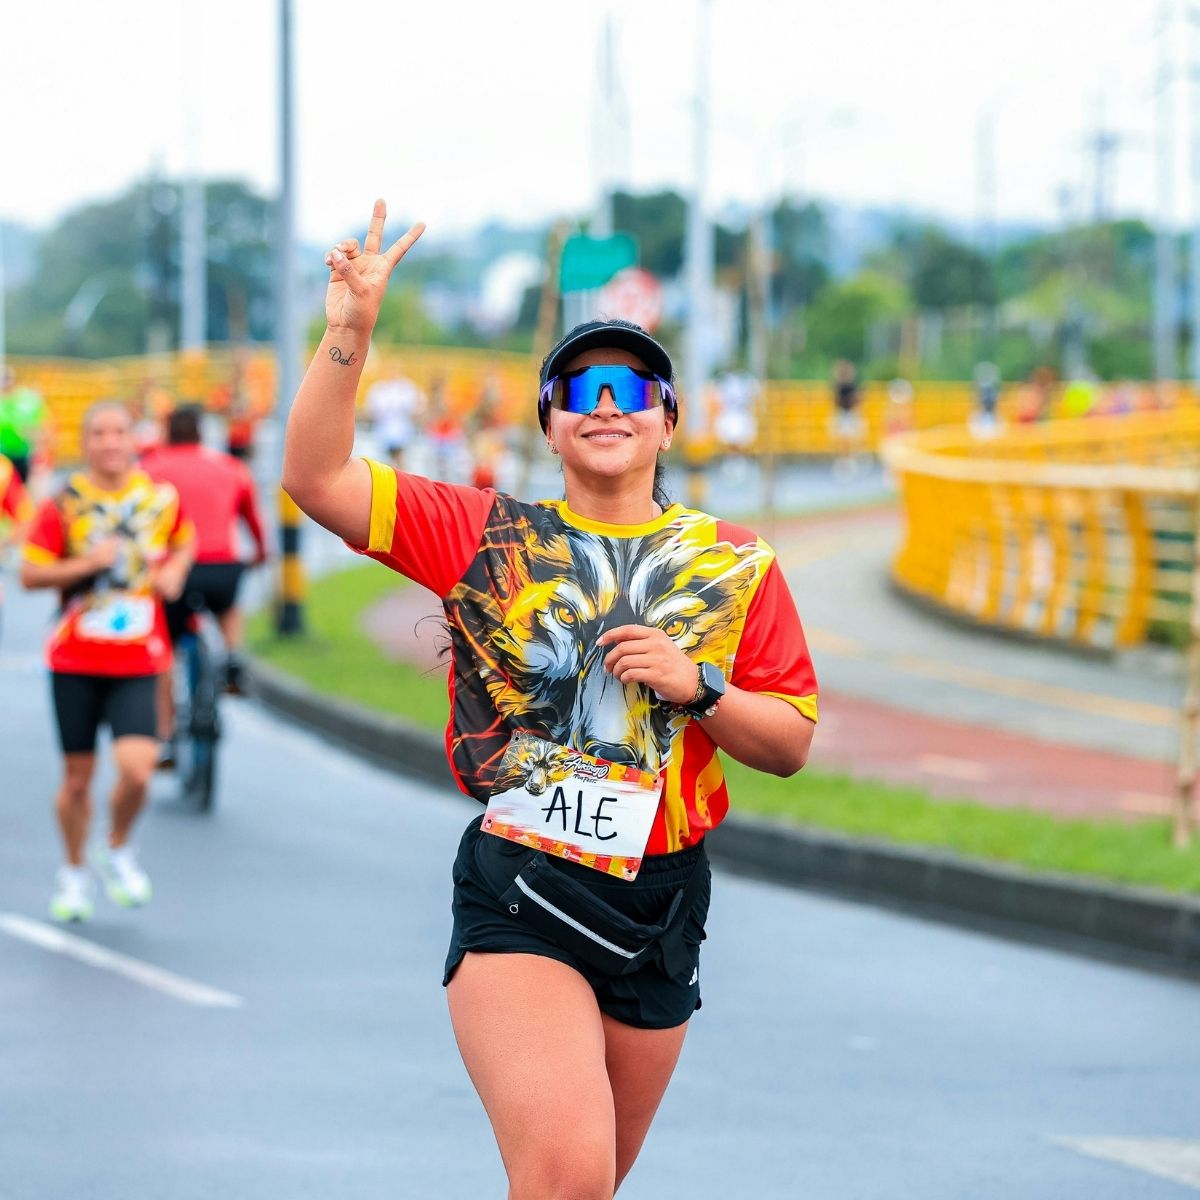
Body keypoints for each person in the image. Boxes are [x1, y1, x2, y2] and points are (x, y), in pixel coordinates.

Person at [281, 201, 818, 1198]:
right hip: (524, 886)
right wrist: (349, 330)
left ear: (666, 417)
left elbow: (787, 741)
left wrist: (699, 686)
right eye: (579, 388)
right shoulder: (482, 532)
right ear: (551, 421)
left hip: (662, 902)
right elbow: (315, 477)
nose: (605, 405)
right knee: (568, 1176)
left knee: (589, 1185)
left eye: (631, 388)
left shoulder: (736, 566)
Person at [21, 400, 193, 922]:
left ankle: (114, 845)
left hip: (139, 656)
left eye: (119, 431)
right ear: (86, 441)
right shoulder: (65, 503)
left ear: (132, 439)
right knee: (77, 779)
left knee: (139, 771)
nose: (110, 442)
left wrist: (176, 573)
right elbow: (29, 574)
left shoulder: (160, 498)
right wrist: (86, 563)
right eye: (99, 433)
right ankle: (73, 873)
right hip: (75, 657)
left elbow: (185, 542)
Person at [142, 405, 268, 738]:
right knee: (228, 606)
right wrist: (259, 553)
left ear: (167, 431)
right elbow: (251, 517)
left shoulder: (149, 469)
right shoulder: (231, 466)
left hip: (173, 573)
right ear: (202, 431)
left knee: (164, 651)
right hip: (222, 567)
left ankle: (166, 735)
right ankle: (232, 656)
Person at [364, 364, 424, 471]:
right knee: (385, 460)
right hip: (384, 428)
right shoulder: (379, 388)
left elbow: (417, 407)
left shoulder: (406, 388)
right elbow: (370, 409)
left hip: (402, 428)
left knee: (400, 457)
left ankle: (400, 477)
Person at [0, 365, 48, 484]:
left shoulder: (25, 401)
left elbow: (36, 429)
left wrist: (39, 454)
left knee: (19, 490)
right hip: (2, 455)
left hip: (21, 454)